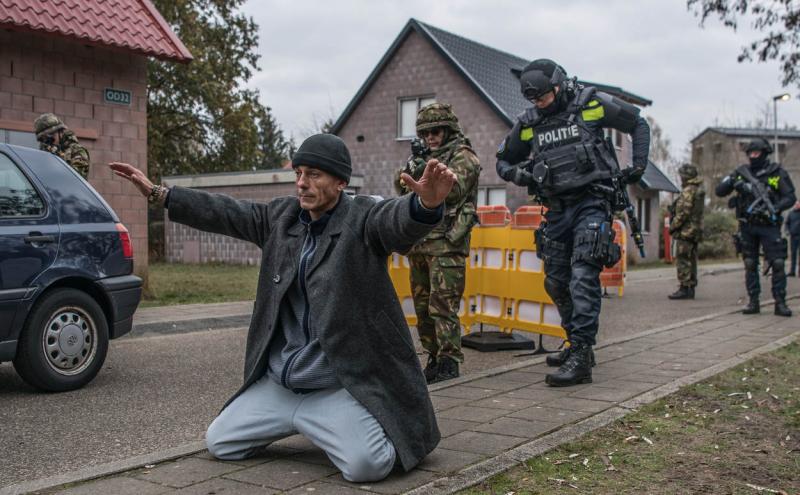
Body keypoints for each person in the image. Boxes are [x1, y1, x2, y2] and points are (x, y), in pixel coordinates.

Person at [109, 133, 456, 482]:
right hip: (282, 386)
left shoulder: (362, 219)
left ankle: (351, 421)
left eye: (315, 175)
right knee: (221, 442)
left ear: (340, 182)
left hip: (337, 387)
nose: (302, 184)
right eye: (299, 173)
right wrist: (160, 194)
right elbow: (227, 212)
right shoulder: (282, 218)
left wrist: (424, 206)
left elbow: (395, 221)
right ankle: (303, 421)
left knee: (368, 466)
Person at [495, 59, 650, 387]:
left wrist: (637, 166)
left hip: (592, 201)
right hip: (556, 208)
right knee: (555, 281)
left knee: (582, 275)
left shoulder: (591, 103)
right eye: (533, 100)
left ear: (559, 85)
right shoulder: (529, 122)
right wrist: (521, 174)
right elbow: (504, 161)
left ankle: (581, 353)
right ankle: (574, 341)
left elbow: (638, 124)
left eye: (543, 98)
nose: (539, 104)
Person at [394, 103, 480, 383]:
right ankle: (433, 356)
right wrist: (413, 170)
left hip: (447, 243)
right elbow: (403, 187)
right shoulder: (423, 157)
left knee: (442, 305)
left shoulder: (463, 156)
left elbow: (452, 193)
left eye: (436, 131)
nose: (431, 137)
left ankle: (449, 360)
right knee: (422, 307)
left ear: (449, 129)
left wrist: (424, 173)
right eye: (426, 133)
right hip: (420, 242)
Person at [716, 137, 796, 317]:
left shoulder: (775, 173)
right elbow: (720, 191)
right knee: (750, 263)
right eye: (750, 153)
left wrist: (774, 208)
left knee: (777, 263)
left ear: (765, 153)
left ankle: (780, 302)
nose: (753, 156)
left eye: (756, 153)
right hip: (747, 225)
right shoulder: (741, 172)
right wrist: (733, 183)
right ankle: (753, 301)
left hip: (769, 224)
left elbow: (789, 197)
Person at [667, 164, 705, 299]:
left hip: (686, 231)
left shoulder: (688, 191)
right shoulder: (698, 189)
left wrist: (673, 226)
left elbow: (683, 212)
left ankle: (684, 287)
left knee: (683, 258)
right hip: (695, 230)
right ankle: (691, 287)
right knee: (692, 258)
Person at [33, 113, 90, 179]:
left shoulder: (77, 150)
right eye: (43, 138)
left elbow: (77, 178)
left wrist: (57, 156)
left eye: (51, 135)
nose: (48, 141)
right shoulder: (44, 153)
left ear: (61, 132)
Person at [784, 201, 800, 276]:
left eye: (798, 204)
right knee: (793, 254)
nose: (796, 205)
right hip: (793, 236)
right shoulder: (791, 213)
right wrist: (787, 231)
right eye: (796, 204)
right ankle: (792, 271)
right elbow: (787, 223)